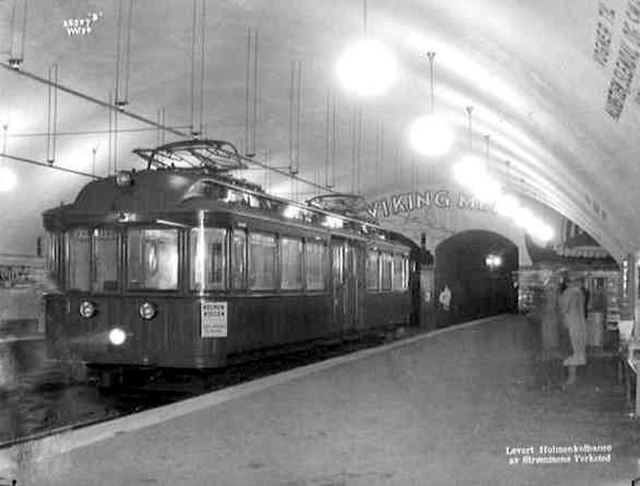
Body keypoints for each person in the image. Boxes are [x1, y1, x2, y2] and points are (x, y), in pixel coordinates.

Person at [558, 275, 588, 386]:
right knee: (575, 350)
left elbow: (563, 309)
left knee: (570, 350)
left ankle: (570, 378)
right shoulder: (580, 293)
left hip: (570, 324)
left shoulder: (569, 293)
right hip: (579, 324)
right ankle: (572, 377)